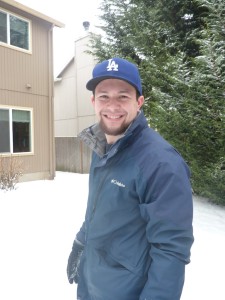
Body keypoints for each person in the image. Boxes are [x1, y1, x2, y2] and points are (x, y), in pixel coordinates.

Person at [67, 57, 194, 300]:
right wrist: (80, 242)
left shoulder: (160, 163)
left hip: (128, 291)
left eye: (123, 96)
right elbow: (97, 209)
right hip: (93, 283)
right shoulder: (101, 146)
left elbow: (171, 250)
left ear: (139, 102)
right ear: (94, 102)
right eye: (104, 96)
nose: (112, 106)